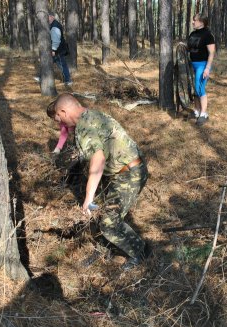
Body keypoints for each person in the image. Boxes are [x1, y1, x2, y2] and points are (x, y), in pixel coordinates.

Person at [46, 93, 149, 270]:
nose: (60, 123)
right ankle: (106, 248)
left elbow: (98, 159)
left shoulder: (84, 127)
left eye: (59, 118)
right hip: (122, 171)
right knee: (100, 211)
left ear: (63, 111)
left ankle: (141, 253)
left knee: (109, 222)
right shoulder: (92, 115)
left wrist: (89, 196)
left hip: (128, 175)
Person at [185, 13, 215, 126]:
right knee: (195, 88)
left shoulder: (208, 35)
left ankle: (204, 114)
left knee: (199, 87)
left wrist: (207, 68)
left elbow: (212, 53)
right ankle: (197, 111)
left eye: (195, 20)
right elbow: (189, 48)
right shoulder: (192, 34)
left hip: (203, 64)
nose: (193, 22)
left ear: (201, 22)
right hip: (192, 64)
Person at [48, 11, 72, 86]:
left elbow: (56, 40)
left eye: (48, 17)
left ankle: (68, 81)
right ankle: (43, 77)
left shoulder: (55, 26)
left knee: (62, 65)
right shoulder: (54, 25)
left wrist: (53, 50)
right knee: (48, 63)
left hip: (58, 50)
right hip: (58, 49)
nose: (46, 19)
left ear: (52, 17)